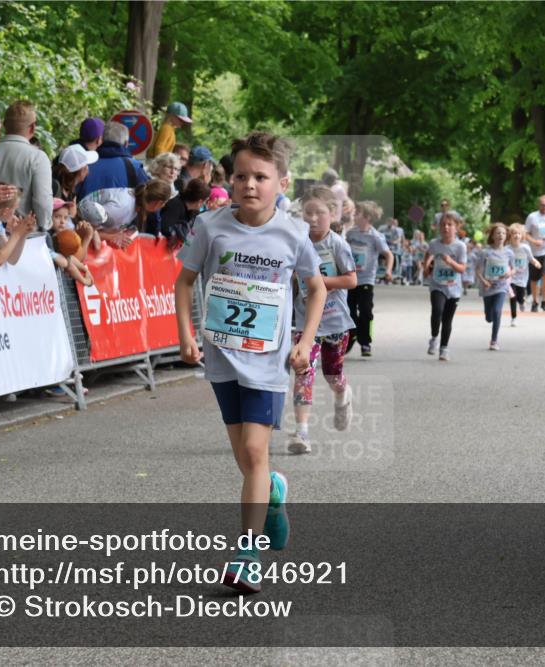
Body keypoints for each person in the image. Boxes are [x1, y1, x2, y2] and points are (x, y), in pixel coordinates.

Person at [174, 131, 326, 594]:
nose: (250, 185)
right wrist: (185, 334)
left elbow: (316, 288)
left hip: (267, 360)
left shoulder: (293, 233)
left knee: (256, 453)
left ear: (282, 181)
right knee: (245, 458)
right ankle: (274, 494)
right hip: (222, 356)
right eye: (241, 176)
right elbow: (184, 282)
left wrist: (305, 341)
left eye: (261, 177)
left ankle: (248, 555)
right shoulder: (211, 226)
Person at [287, 185, 356, 454]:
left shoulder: (337, 244)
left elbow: (351, 280)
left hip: (335, 321)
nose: (313, 218)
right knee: (303, 372)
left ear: (332, 213)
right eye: (308, 213)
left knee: (332, 375)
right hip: (306, 323)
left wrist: (318, 282)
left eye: (319, 213)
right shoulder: (296, 243)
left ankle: (342, 393)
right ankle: (301, 433)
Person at [75, 121, 149, 245]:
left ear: (101, 140)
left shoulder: (84, 164)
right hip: (119, 242)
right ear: (126, 143)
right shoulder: (135, 168)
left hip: (82, 237)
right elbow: (148, 201)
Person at [0, 101, 53, 230]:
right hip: (25, 234)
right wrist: (45, 225)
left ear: (4, 125)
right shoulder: (38, 158)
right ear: (32, 127)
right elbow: (42, 201)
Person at [345, 200, 392, 357]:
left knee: (366, 312)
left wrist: (389, 271)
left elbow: (388, 255)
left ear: (366, 217)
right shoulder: (351, 234)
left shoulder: (376, 237)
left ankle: (365, 343)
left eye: (357, 213)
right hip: (350, 278)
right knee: (349, 311)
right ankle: (352, 337)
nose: (354, 215)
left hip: (366, 280)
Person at [423, 213, 468, 361]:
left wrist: (450, 262)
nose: (446, 227)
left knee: (447, 319)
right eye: (443, 224)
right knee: (437, 310)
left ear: (456, 228)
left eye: (449, 225)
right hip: (437, 284)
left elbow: (462, 269)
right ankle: (434, 337)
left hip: (454, 288)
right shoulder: (434, 243)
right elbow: (428, 254)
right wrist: (426, 267)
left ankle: (444, 348)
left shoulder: (460, 246)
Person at [476, 223, 514, 351]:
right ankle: (489, 315)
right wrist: (483, 281)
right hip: (488, 287)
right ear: (492, 235)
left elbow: (514, 269)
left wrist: (509, 273)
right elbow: (478, 270)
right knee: (489, 317)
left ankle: (494, 340)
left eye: (503, 233)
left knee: (497, 311)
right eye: (498, 233)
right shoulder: (486, 252)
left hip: (501, 287)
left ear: (506, 236)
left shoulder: (509, 252)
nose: (501, 235)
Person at [524, 194, 545, 312]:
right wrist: (534, 241)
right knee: (534, 278)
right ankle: (535, 301)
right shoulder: (532, 217)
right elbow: (525, 233)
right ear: (539, 205)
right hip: (535, 252)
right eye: (543, 205)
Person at [507, 223, 541, 327]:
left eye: (519, 233)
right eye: (514, 233)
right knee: (512, 296)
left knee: (520, 297)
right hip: (510, 278)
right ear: (510, 235)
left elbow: (531, 259)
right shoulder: (507, 249)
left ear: (522, 235)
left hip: (522, 278)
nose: (516, 235)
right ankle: (513, 318)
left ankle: (521, 302)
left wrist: (536, 263)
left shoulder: (525, 248)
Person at [158, 177, 208, 244]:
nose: (205, 204)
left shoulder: (193, 212)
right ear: (200, 201)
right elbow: (165, 227)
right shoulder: (175, 205)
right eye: (205, 201)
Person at [52, 143, 98, 208]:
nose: (88, 171)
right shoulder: (54, 188)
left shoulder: (70, 190)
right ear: (80, 171)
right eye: (86, 166)